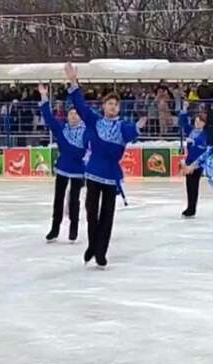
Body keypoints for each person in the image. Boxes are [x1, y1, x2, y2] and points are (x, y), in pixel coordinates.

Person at [64, 62, 147, 268]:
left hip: (111, 174)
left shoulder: (122, 127)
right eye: (109, 104)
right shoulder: (94, 121)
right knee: (91, 211)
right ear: (104, 106)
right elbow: (81, 105)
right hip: (93, 172)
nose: (112, 107)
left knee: (107, 215)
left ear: (119, 108)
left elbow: (131, 131)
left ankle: (101, 252)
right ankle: (93, 245)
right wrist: (74, 81)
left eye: (115, 105)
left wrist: (138, 126)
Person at [38, 84, 86, 243]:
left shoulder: (86, 131)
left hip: (79, 170)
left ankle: (74, 229)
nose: (73, 116)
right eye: (71, 114)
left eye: (76, 114)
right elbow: (49, 118)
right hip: (63, 168)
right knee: (58, 199)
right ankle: (55, 228)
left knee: (74, 200)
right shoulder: (61, 129)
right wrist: (44, 97)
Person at [179, 100, 207, 218]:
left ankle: (192, 208)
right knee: (189, 186)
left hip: (197, 164)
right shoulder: (191, 131)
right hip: (189, 162)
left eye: (199, 121)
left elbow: (201, 147)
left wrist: (194, 142)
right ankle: (190, 207)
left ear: (203, 123)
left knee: (194, 186)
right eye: (196, 121)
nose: (196, 123)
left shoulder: (204, 134)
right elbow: (183, 123)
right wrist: (184, 109)